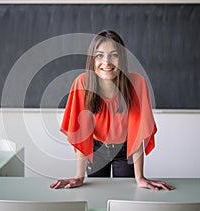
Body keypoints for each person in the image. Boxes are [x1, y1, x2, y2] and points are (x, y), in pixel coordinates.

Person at [50, 30, 174, 191]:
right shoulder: (82, 83)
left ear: (121, 59)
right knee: (95, 195)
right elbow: (82, 134)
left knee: (124, 196)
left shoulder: (137, 84)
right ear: (92, 60)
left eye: (114, 55)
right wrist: (79, 177)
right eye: (100, 55)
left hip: (125, 149)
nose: (106, 62)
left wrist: (140, 178)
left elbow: (137, 133)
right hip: (96, 149)